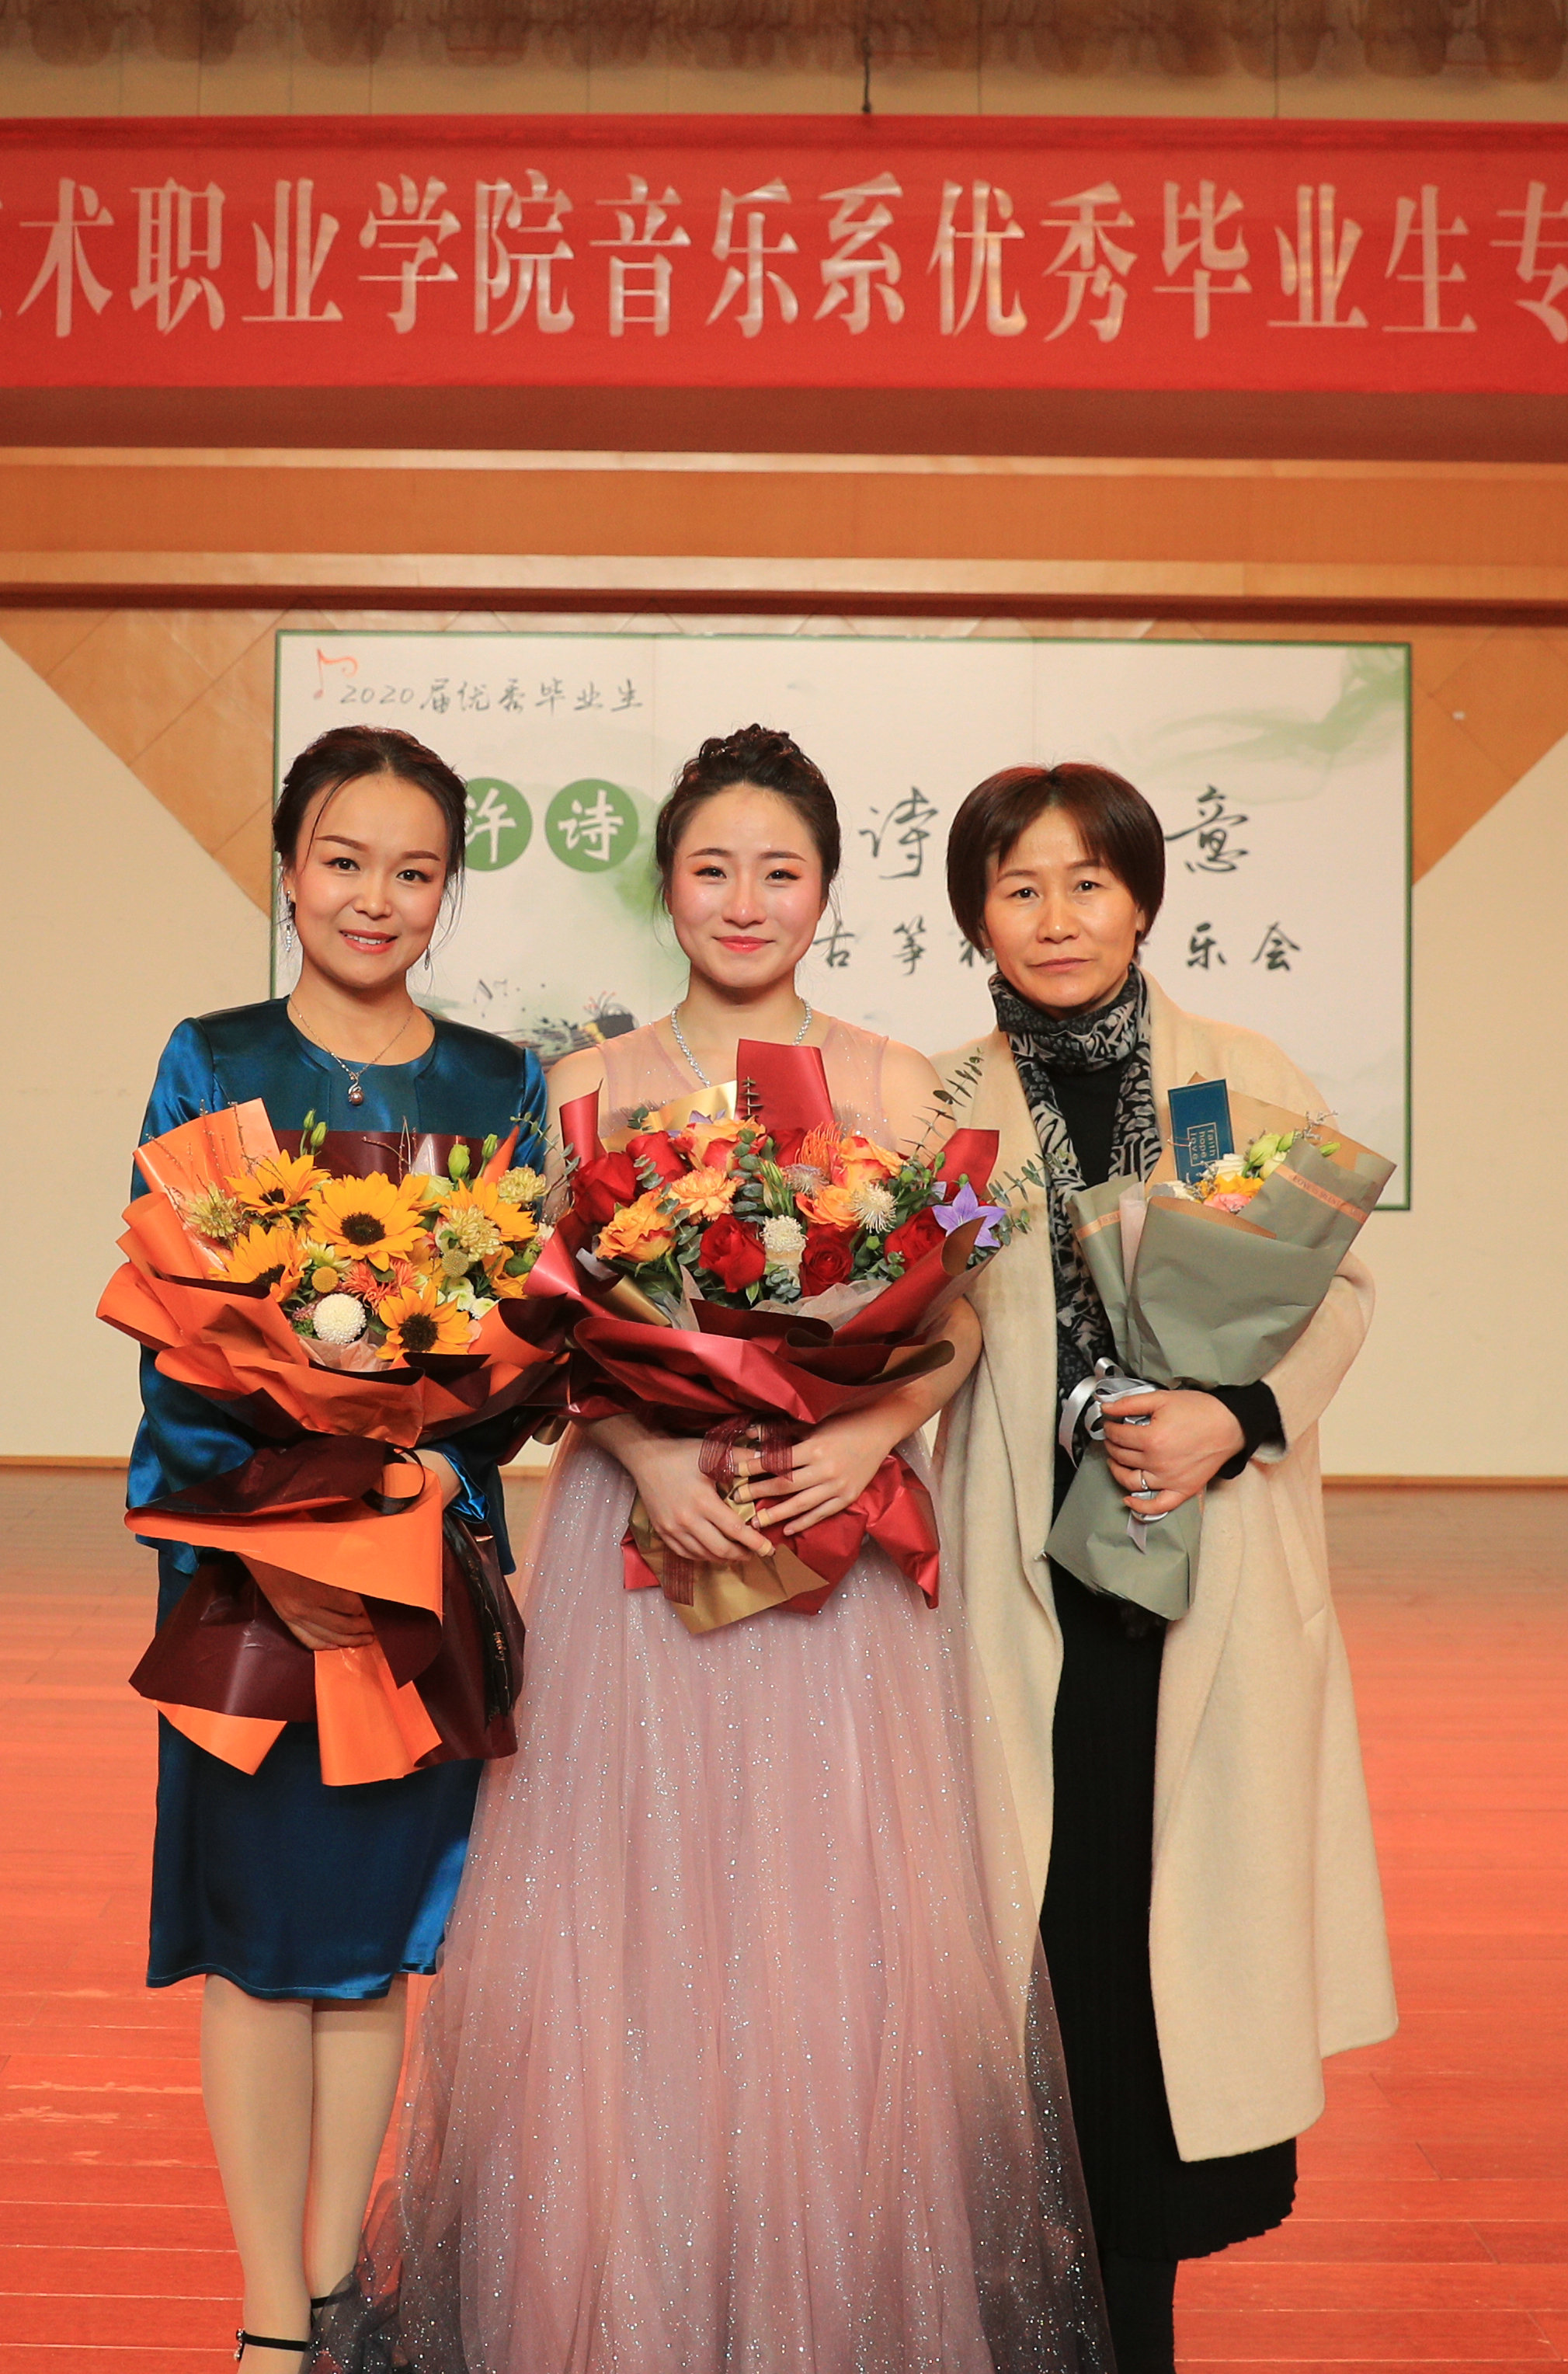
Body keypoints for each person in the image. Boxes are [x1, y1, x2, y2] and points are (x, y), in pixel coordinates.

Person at [326, 727, 1111, 2374]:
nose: (746, 902)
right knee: (626, 1930)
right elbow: (538, 1326)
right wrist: (644, 1450)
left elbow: (962, 1323)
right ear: (667, 886)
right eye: (713, 869)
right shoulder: (581, 1088)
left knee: (830, 1941)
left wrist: (871, 1434)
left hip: (837, 1550)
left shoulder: (901, 1085)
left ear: (827, 891)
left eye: (781, 872)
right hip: (641, 1544)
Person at [926, 764, 1391, 2374]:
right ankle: (1028, 2316)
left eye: (1088, 884)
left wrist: (1231, 1419)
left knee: (1150, 1966)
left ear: (1142, 900)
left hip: (1196, 1568)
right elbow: (915, 1324)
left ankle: (1134, 2330)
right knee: (1037, 1956)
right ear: (976, 916)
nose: (1056, 919)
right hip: (1019, 1583)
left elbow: (1337, 1293)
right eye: (1019, 889)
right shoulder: (940, 1105)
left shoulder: (1235, 1079)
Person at [129, 724, 548, 2368]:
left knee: (375, 1950)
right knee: (256, 1950)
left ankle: (331, 2290)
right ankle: (264, 2325)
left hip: (417, 1579)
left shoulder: (500, 1086)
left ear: (449, 891)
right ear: (291, 870)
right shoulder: (212, 1059)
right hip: (251, 1580)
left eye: (415, 871)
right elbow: (176, 1338)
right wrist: (276, 1535)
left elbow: (524, 1347)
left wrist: (432, 1476)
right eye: (346, 862)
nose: (377, 898)